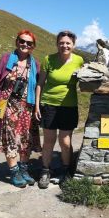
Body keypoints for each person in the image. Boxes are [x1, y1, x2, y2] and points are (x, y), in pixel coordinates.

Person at [0, 29, 41, 187]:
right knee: (10, 138)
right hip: (9, 104)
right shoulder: (7, 59)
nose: (25, 45)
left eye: (29, 43)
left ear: (33, 46)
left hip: (28, 106)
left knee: (26, 139)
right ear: (17, 42)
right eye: (22, 41)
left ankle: (24, 169)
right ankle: (14, 172)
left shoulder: (35, 64)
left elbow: (39, 86)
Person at [35, 30, 84, 189]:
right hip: (49, 104)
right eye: (61, 42)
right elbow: (40, 83)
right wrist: (37, 105)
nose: (64, 45)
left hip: (69, 106)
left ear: (73, 45)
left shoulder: (79, 60)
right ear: (57, 44)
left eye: (68, 43)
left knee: (65, 141)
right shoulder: (48, 59)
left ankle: (66, 170)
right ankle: (45, 170)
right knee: (49, 140)